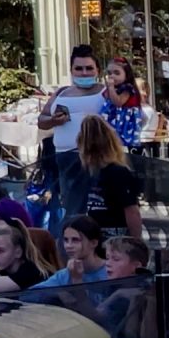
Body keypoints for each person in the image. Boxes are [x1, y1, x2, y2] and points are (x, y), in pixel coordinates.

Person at [37, 47, 114, 234]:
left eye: (89, 68)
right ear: (71, 70)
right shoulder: (61, 93)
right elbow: (42, 121)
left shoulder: (106, 93)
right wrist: (54, 120)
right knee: (71, 209)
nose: (84, 73)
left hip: (98, 158)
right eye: (79, 69)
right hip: (65, 159)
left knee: (98, 208)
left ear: (97, 70)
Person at [77, 116, 143, 238]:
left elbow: (131, 211)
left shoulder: (118, 172)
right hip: (93, 233)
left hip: (115, 234)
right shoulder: (88, 172)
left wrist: (136, 243)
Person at [37, 215, 109, 288]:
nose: (68, 245)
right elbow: (33, 293)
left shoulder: (111, 269)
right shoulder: (65, 275)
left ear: (93, 243)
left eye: (75, 240)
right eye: (66, 240)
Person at [102, 57, 149, 152]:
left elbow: (118, 102)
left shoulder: (127, 88)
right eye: (109, 73)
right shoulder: (114, 88)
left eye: (117, 73)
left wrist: (111, 87)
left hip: (124, 119)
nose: (112, 76)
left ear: (126, 75)